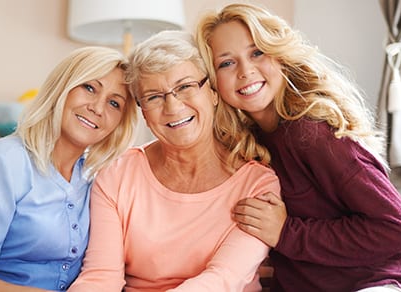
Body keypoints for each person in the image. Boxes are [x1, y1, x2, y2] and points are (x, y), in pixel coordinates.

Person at [196, 3, 401, 292]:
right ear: (213, 82)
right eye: (226, 63)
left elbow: (397, 227)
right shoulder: (247, 146)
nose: (245, 71)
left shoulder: (313, 134)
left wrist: (286, 232)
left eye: (257, 52)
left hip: (377, 282)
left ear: (279, 55)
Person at [67, 30, 280, 292]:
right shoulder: (116, 174)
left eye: (185, 87)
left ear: (213, 93)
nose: (172, 106)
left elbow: (222, 280)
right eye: (154, 96)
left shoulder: (258, 184)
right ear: (143, 112)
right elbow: (101, 278)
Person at [0, 46, 138, 292]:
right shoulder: (6, 160)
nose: (98, 107)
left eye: (114, 103)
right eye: (89, 88)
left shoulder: (98, 180)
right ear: (62, 87)